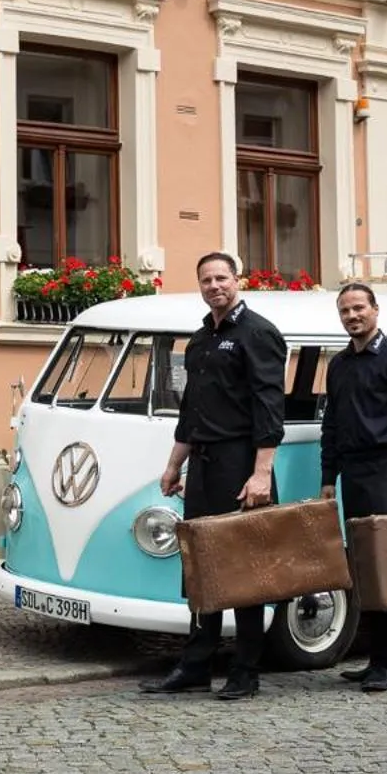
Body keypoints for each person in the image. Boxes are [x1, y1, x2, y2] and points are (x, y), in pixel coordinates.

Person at [140, 251, 288, 701]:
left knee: (244, 569)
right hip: (203, 464)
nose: (214, 286)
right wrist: (173, 465)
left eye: (221, 278)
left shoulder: (258, 333)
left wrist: (261, 474)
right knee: (201, 568)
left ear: (236, 280)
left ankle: (245, 670)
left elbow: (269, 408)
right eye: (206, 279)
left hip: (242, 464)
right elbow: (192, 410)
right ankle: (196, 665)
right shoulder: (201, 339)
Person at [319, 282, 387, 694]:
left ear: (376, 310)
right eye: (345, 310)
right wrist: (328, 478)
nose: (353, 316)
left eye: (359, 308)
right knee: (365, 567)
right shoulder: (340, 366)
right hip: (354, 473)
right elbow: (331, 425)